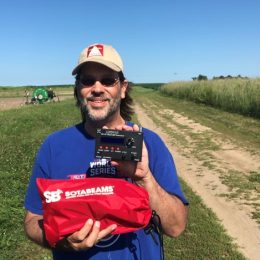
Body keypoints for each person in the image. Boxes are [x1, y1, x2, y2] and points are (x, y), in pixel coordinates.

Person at [24, 43, 188, 260]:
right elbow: (32, 221)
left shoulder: (150, 143)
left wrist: (144, 178)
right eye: (88, 80)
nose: (97, 88)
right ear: (78, 88)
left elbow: (175, 227)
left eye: (108, 80)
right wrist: (62, 241)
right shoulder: (54, 146)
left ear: (123, 88)